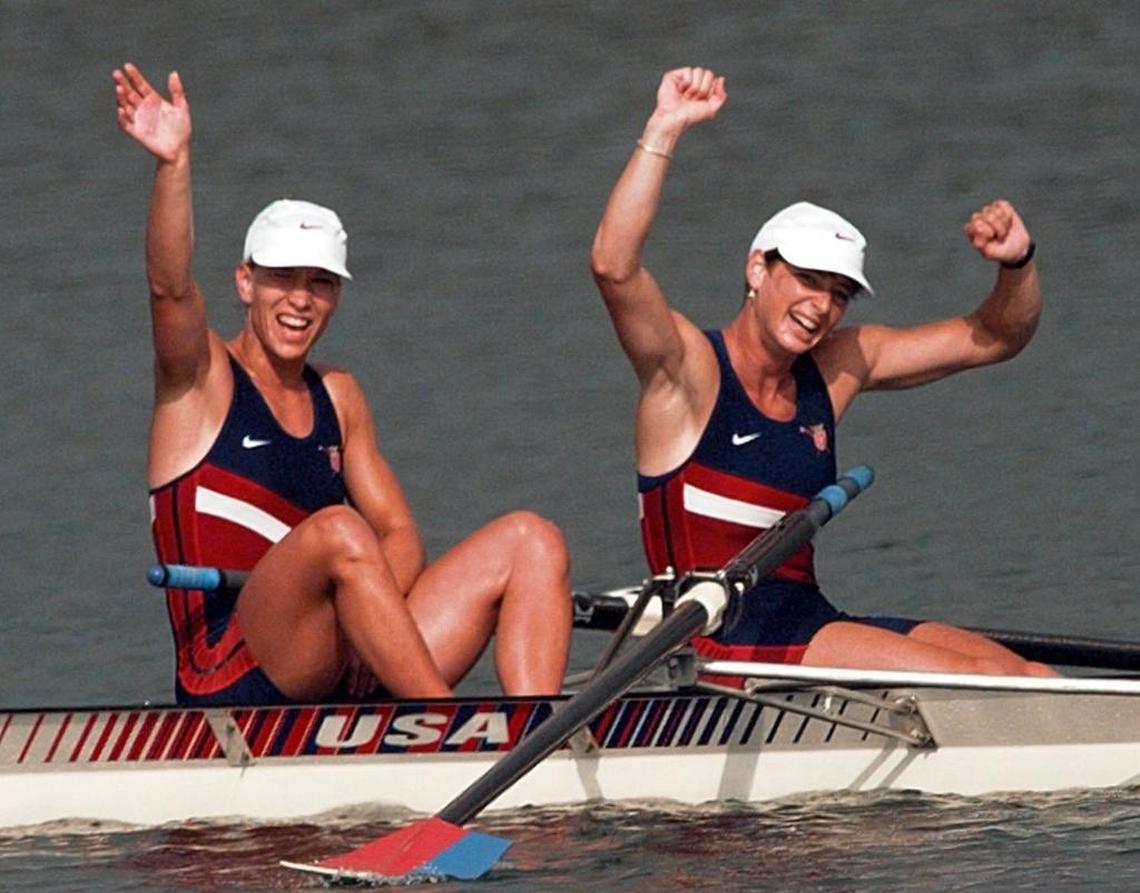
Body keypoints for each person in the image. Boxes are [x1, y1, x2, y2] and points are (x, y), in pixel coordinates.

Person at [114, 62, 572, 705]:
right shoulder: (199, 380)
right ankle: (443, 728)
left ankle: (532, 737)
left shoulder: (339, 396)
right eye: (282, 278)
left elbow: (401, 535)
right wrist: (173, 164)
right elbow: (169, 286)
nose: (300, 300)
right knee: (338, 529)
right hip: (231, 669)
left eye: (320, 283)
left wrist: (367, 609)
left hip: (341, 650)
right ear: (245, 283)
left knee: (533, 538)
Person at [590, 66, 1055, 677]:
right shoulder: (689, 370)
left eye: (838, 294)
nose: (821, 307)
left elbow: (996, 337)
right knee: (994, 683)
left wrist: (1017, 262)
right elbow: (614, 265)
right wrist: (665, 127)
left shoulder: (835, 369)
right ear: (758, 269)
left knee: (1036, 677)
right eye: (808, 280)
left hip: (805, 623)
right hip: (717, 645)